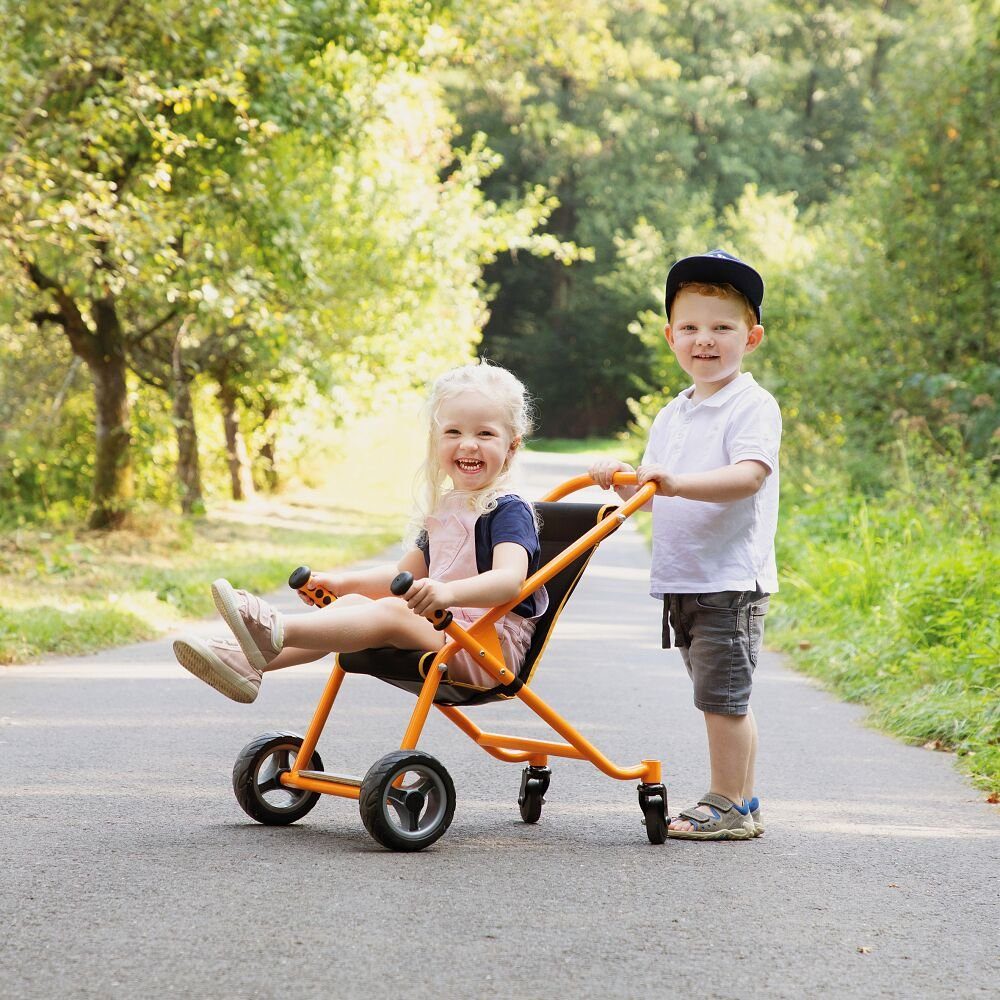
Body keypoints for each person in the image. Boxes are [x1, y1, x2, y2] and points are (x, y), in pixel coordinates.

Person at [173, 361, 548, 703]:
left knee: (390, 612)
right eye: (453, 432)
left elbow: (508, 581)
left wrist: (446, 591)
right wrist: (342, 584)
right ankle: (247, 664)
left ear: (511, 446)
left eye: (485, 433)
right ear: (437, 442)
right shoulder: (447, 508)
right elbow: (399, 576)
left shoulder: (508, 509)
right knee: (351, 607)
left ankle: (274, 629)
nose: (468, 444)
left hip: (486, 647)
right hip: (447, 631)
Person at [590, 249, 780, 841]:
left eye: (722, 328)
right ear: (671, 335)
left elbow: (748, 475)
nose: (705, 340)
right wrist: (622, 479)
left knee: (722, 699)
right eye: (692, 328)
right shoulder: (674, 413)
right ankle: (743, 804)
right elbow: (652, 482)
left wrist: (673, 483)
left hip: (728, 577)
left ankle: (727, 803)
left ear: (750, 338)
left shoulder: (751, 405)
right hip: (686, 576)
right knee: (719, 694)